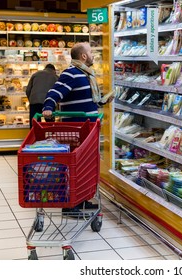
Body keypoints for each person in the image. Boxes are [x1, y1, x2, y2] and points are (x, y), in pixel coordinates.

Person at [42, 42, 114, 216]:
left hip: (87, 129)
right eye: (90, 52)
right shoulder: (71, 73)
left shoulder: (86, 74)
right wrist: (48, 107)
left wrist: (102, 101)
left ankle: (80, 200)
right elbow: (55, 92)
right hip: (76, 130)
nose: (92, 55)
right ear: (83, 56)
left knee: (84, 165)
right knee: (76, 165)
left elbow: (89, 99)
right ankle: (71, 205)